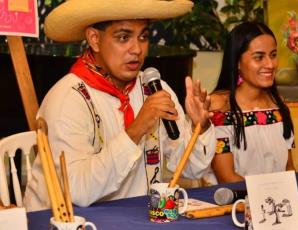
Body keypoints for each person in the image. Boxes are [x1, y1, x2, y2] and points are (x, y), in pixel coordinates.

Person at [24, 0, 215, 212]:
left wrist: (201, 128)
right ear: (94, 39)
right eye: (123, 37)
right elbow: (78, 191)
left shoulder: (154, 89)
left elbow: (191, 169)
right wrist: (134, 131)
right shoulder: (68, 99)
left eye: (143, 37)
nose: (137, 49)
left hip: (137, 219)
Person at [203, 22, 295, 184]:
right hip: (232, 207)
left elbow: (289, 169)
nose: (270, 64)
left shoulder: (279, 106)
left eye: (273, 55)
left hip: (278, 205)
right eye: (259, 57)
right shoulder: (219, 108)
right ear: (237, 62)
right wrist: (272, 196)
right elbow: (227, 178)